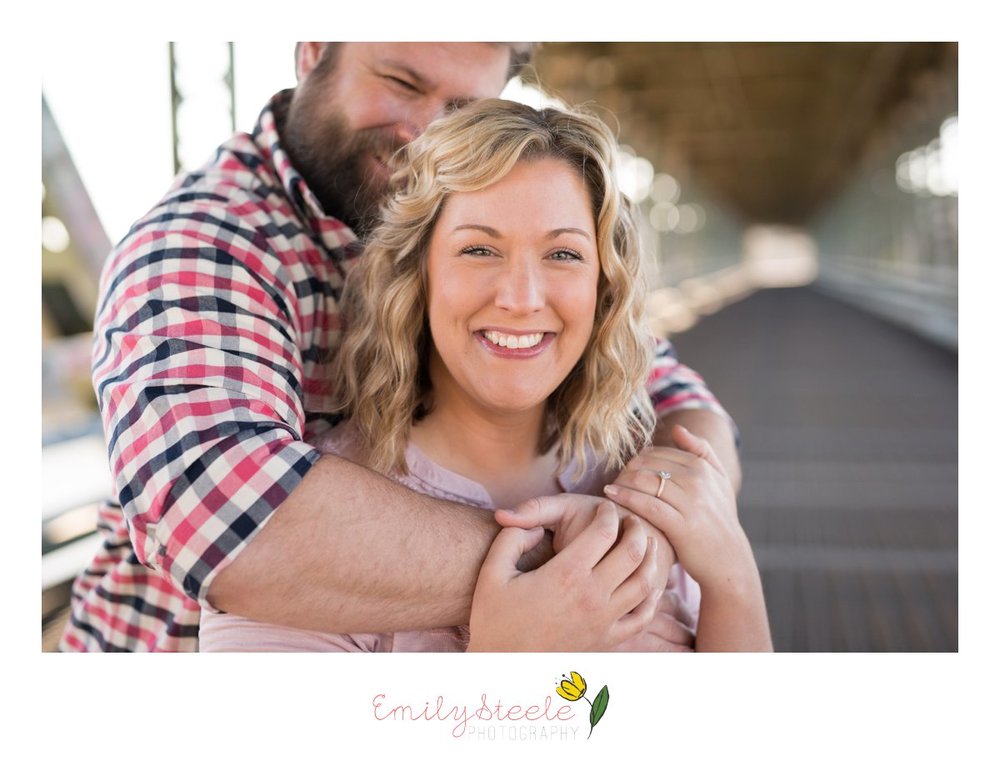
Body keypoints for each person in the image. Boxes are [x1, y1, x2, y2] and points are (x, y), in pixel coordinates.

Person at [60, 42, 739, 653]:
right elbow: (240, 526)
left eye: (466, 107)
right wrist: (581, 560)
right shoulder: (205, 242)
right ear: (312, 50)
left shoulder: (475, 206)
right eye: (402, 83)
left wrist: (672, 523)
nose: (426, 134)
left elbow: (673, 399)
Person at [199, 98, 704, 651]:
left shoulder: (639, 476)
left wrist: (733, 575)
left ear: (603, 289)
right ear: (418, 274)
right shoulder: (312, 552)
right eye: (480, 249)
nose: (521, 298)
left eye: (563, 255)